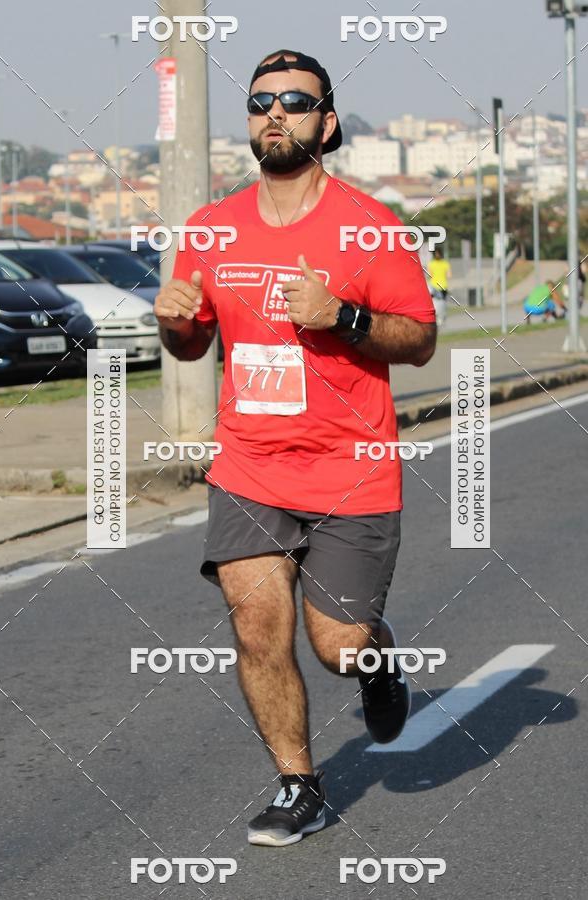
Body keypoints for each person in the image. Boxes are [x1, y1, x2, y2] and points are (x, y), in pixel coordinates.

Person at [154, 49, 436, 847]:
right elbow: (187, 347)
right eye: (260, 102)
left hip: (351, 468)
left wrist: (341, 316)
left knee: (337, 646)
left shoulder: (370, 226)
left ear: (328, 122)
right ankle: (298, 784)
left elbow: (418, 340)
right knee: (255, 626)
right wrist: (175, 320)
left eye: (294, 101)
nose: (274, 113)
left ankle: (379, 663)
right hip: (249, 463)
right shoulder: (211, 230)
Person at [427, 248, 451, 327]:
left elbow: (429, 274)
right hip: (437, 286)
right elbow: (449, 275)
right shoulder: (444, 263)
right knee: (440, 302)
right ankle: (440, 316)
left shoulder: (432, 263)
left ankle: (440, 316)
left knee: (438, 302)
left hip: (439, 286)